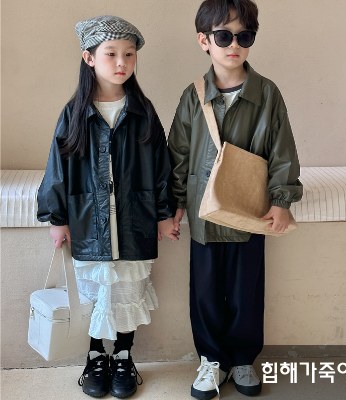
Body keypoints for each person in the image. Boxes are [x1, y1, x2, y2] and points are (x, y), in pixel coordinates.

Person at [37, 15, 179, 399]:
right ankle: (96, 356)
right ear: (89, 58)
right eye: (111, 53)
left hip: (135, 222)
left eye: (129, 54)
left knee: (128, 289)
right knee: (95, 294)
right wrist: (56, 218)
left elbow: (161, 167)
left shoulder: (142, 111)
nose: (121, 62)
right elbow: (57, 169)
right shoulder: (74, 113)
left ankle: (124, 356)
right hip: (89, 224)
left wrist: (164, 214)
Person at [168, 1, 303, 399]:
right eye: (224, 36)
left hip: (250, 212)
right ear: (204, 41)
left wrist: (282, 199)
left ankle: (243, 359)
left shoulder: (267, 93)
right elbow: (177, 154)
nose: (234, 45)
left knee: (247, 290)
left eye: (244, 36)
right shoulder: (193, 96)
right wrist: (173, 205)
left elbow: (282, 150)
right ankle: (211, 360)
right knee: (205, 291)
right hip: (204, 215)